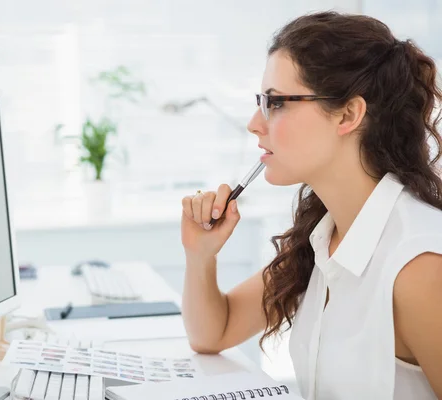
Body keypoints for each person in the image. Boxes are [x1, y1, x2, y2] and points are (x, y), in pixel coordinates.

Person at [180, 11, 442, 400]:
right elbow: (212, 333)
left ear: (348, 114)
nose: (255, 122)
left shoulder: (419, 265)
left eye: (276, 102)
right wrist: (200, 256)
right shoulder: (323, 237)